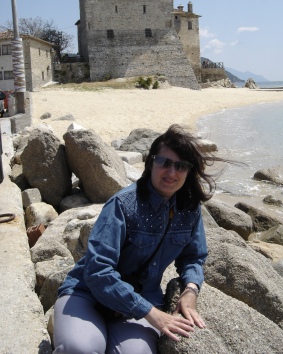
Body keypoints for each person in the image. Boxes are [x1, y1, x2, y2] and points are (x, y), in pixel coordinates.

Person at [53, 125, 224, 354]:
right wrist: (153, 315)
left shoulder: (189, 208)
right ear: (151, 162)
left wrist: (191, 289)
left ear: (189, 171)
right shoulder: (123, 205)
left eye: (181, 166)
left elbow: (194, 257)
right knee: (79, 348)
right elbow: (97, 271)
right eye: (164, 162)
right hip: (88, 295)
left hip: (143, 299)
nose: (171, 172)